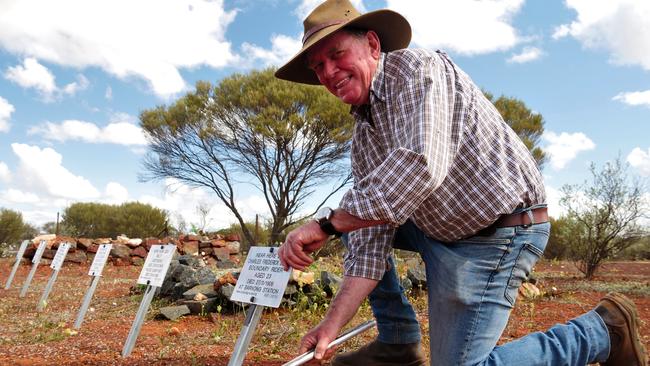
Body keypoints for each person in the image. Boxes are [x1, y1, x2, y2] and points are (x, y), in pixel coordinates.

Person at [275, 1, 648, 365]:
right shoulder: (365, 136)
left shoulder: (418, 71)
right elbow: (369, 238)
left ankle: (602, 331)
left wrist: (325, 224)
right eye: (318, 65)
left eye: (337, 54)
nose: (328, 71)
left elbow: (418, 167)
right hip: (440, 229)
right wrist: (330, 325)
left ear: (373, 44)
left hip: (500, 232)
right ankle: (398, 339)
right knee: (358, 216)